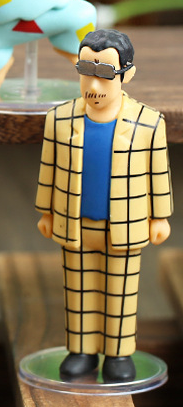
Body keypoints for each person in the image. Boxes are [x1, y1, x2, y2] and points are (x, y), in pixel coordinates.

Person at [36, 29, 173, 382]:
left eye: (105, 73)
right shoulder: (59, 119)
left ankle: (118, 354)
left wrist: (160, 216)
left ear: (127, 74)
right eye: (86, 70)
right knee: (78, 290)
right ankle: (81, 350)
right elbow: (49, 168)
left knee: (120, 292)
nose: (94, 84)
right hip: (74, 224)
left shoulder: (148, 123)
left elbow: (158, 172)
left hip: (125, 225)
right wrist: (46, 211)